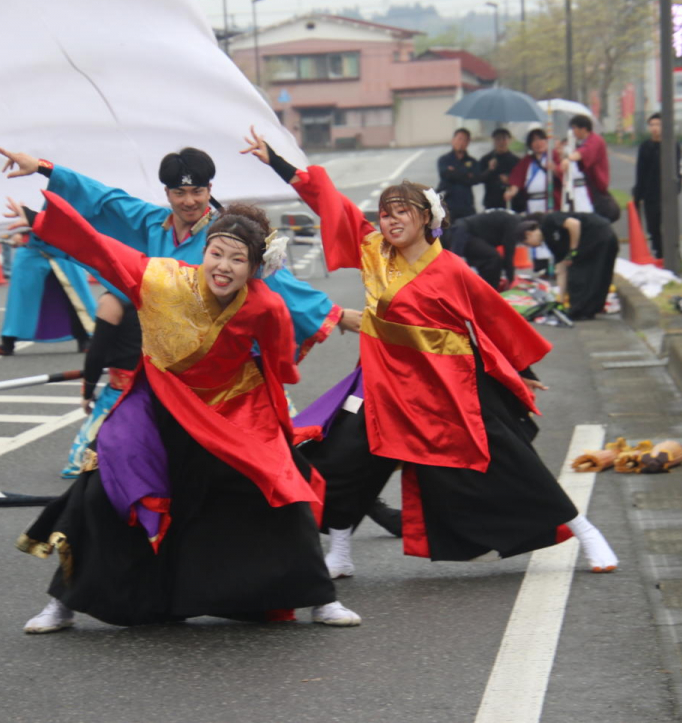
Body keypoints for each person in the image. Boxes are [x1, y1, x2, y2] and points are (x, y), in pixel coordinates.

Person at [243, 127, 618, 578]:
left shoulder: (451, 268)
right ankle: (340, 551)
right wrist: (279, 164)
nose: (392, 221)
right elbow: (329, 201)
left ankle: (583, 529)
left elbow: (494, 319)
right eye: (385, 214)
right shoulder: (373, 251)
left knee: (510, 460)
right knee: (346, 459)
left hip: (447, 384)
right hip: (383, 382)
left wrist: (522, 369)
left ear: (426, 218)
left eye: (403, 212)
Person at [10, 190, 360, 630]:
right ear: (204, 251)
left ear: (255, 269)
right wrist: (41, 219)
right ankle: (62, 604)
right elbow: (100, 249)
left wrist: (272, 419)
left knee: (280, 485)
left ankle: (321, 600)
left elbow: (279, 364)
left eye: (237, 260)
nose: (223, 267)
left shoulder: (266, 305)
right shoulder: (159, 279)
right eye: (216, 253)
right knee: (104, 487)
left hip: (233, 405)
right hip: (158, 402)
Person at [0, 146, 358, 359]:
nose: (189, 201)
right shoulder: (153, 223)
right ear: (166, 194)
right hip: (167, 358)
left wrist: (336, 314)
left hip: (225, 359)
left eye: (198, 192)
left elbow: (277, 282)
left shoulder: (228, 236)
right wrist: (42, 170)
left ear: (209, 189)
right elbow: (103, 202)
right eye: (179, 193)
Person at [62, 292, 141, 479]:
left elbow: (97, 352)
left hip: (124, 393)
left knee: (82, 462)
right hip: (169, 390)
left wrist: (87, 392)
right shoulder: (171, 288)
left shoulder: (114, 299)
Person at [0, 226, 97, 356]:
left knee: (75, 295)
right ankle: (8, 341)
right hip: (30, 249)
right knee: (21, 295)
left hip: (62, 247)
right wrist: (16, 233)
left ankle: (86, 339)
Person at [520, 211, 619, 321]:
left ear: (528, 234)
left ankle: (579, 310)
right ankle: (588, 311)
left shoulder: (549, 220)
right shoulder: (550, 242)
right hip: (602, 237)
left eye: (528, 244)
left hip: (595, 233)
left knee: (579, 274)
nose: (532, 247)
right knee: (598, 275)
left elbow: (574, 224)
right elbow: (561, 270)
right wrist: (560, 300)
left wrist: (573, 249)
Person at [632, 112, 682, 260]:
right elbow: (640, 172)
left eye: (658, 125)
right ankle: (659, 254)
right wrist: (638, 194)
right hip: (649, 195)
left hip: (667, 194)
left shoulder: (672, 145)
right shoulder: (645, 147)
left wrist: (677, 188)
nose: (654, 128)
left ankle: (673, 256)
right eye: (652, 125)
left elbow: (679, 169)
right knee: (653, 228)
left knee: (668, 226)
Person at [443, 209, 528, 291]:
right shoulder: (513, 224)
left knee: (493, 260)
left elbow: (507, 258)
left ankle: (488, 289)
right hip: (462, 233)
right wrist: (511, 280)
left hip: (467, 232)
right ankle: (488, 291)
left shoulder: (514, 220)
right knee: (493, 258)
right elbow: (509, 254)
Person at [561, 114, 618, 221]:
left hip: (594, 187)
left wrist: (569, 159)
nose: (573, 132)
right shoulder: (581, 142)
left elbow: (584, 152)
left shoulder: (595, 140)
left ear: (583, 129)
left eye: (574, 128)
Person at [506, 128, 562, 214]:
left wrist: (554, 168)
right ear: (530, 144)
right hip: (532, 202)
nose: (538, 143)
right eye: (534, 140)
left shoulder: (553, 156)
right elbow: (517, 178)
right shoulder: (526, 161)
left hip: (549, 201)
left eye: (541, 139)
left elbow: (563, 174)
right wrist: (512, 192)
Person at [436, 127, 481, 221]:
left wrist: (454, 171)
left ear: (468, 143)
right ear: (453, 140)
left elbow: (475, 179)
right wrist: (466, 174)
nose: (461, 142)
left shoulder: (472, 161)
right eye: (459, 138)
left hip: (466, 204)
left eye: (465, 140)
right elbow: (445, 174)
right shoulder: (444, 160)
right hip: (448, 204)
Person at [479, 128, 520, 210]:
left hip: (511, 203)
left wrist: (509, 180)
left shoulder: (516, 160)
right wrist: (489, 169)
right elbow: (479, 178)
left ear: (509, 140)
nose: (501, 142)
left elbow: (520, 181)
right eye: (498, 139)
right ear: (493, 141)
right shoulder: (486, 159)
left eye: (504, 139)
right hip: (491, 202)